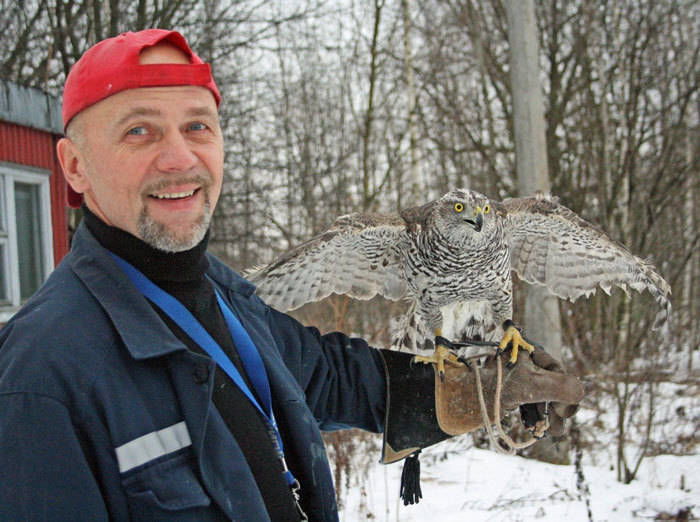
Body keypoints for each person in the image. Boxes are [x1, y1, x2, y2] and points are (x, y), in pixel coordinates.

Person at [0, 29, 583, 521]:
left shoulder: (224, 298)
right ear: (74, 166)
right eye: (139, 131)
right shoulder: (41, 376)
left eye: (198, 127)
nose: (179, 157)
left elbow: (331, 378)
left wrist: (484, 387)